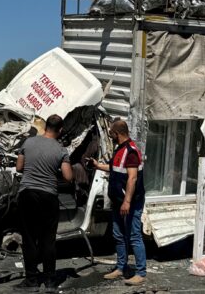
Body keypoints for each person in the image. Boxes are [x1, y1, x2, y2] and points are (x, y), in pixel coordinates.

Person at [15, 114, 73, 292]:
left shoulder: (29, 142)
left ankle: (31, 279)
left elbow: (18, 167)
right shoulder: (61, 150)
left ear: (46, 126)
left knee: (30, 239)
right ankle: (49, 281)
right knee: (48, 240)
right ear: (60, 130)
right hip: (48, 197)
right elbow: (68, 177)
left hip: (27, 194)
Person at [89, 120, 147, 286]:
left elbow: (132, 178)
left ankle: (141, 272)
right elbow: (115, 168)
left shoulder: (131, 152)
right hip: (118, 201)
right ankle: (121, 267)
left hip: (130, 202)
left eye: (111, 134)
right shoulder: (120, 149)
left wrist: (127, 201)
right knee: (118, 235)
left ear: (118, 134)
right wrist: (97, 166)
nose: (110, 136)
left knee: (134, 236)